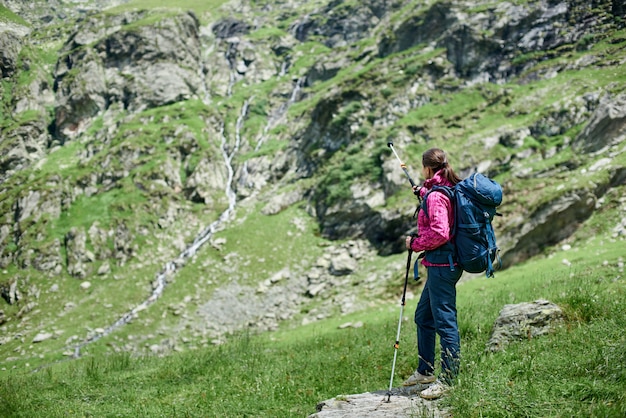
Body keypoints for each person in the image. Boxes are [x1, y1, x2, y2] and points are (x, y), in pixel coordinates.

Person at [401, 147, 463, 400]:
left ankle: (448, 380)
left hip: (442, 265)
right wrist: (424, 193)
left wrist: (414, 244)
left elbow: (439, 232)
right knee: (423, 316)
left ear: (427, 168)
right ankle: (425, 370)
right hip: (442, 264)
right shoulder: (445, 187)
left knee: (445, 321)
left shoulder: (437, 196)